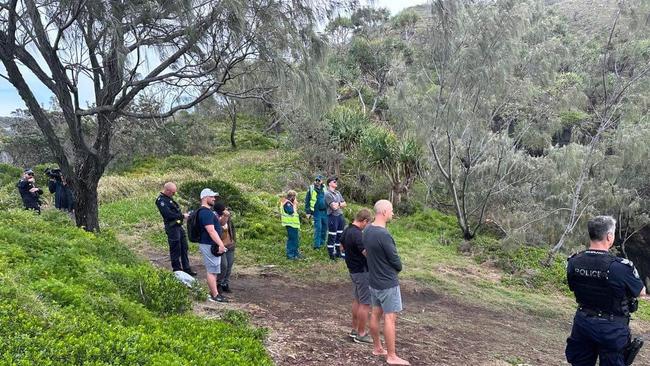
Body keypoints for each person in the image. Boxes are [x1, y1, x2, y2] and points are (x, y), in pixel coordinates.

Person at [565, 215, 647, 366]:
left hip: (583, 322)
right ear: (609, 237)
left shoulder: (574, 261)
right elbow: (641, 292)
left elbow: (572, 286)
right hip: (612, 328)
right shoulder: (620, 267)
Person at [364, 199, 409, 366]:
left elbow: (366, 251)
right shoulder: (383, 234)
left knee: (376, 314)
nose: (392, 213)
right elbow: (395, 260)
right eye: (391, 210)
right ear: (383, 212)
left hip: (374, 281)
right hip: (387, 283)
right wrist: (397, 268)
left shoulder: (367, 229)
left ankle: (377, 348)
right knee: (390, 318)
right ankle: (391, 356)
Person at [341, 208, 373, 344]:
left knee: (357, 300)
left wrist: (350, 254)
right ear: (364, 221)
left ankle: (354, 329)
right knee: (365, 303)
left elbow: (341, 246)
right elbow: (366, 252)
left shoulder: (347, 229)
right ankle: (361, 333)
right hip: (362, 271)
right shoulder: (358, 234)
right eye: (368, 223)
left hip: (353, 270)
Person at [155, 182, 196, 276]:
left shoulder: (169, 199)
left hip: (178, 226)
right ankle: (177, 269)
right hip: (172, 227)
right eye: (173, 193)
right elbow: (168, 215)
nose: (174, 194)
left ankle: (186, 268)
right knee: (175, 248)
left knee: (184, 247)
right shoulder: (161, 200)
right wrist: (182, 216)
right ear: (167, 190)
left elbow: (175, 210)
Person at [197, 188, 228, 302]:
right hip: (209, 244)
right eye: (212, 197)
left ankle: (215, 293)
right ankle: (214, 295)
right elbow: (211, 230)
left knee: (214, 270)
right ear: (205, 197)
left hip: (210, 244)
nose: (214, 199)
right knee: (212, 271)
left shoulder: (207, 212)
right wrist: (220, 244)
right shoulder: (205, 213)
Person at [215, 201, 236, 293]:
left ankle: (225, 283)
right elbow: (221, 223)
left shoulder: (229, 219)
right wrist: (225, 216)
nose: (225, 211)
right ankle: (218, 283)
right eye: (223, 210)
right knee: (224, 265)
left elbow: (232, 229)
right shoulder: (215, 218)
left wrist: (233, 240)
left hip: (230, 245)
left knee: (229, 265)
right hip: (221, 246)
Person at [324, 176, 346, 260]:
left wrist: (339, 204)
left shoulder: (338, 192)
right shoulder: (327, 194)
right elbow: (334, 207)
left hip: (340, 216)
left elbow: (344, 203)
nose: (336, 183)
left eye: (336, 181)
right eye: (334, 181)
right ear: (329, 183)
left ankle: (338, 253)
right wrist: (340, 204)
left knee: (340, 235)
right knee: (332, 235)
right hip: (332, 216)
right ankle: (331, 254)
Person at [305, 175, 328, 249]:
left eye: (319, 180)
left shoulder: (324, 188)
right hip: (316, 211)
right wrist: (308, 212)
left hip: (325, 211)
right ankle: (316, 246)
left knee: (324, 227)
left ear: (322, 181)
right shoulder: (311, 188)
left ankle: (322, 243)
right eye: (316, 180)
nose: (317, 182)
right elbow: (307, 200)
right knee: (318, 228)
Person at [280, 190, 301, 260]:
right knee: (292, 240)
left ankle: (296, 254)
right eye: (295, 197)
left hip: (294, 225)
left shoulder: (289, 203)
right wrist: (294, 205)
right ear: (293, 197)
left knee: (295, 240)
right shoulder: (287, 203)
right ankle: (290, 255)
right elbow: (291, 212)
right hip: (290, 224)